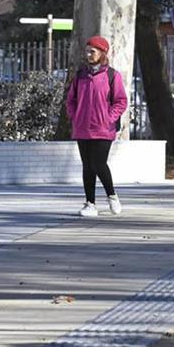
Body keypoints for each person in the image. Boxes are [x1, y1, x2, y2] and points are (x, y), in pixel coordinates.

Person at [65, 35, 128, 217]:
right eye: (87, 51)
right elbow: (71, 100)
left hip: (103, 128)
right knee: (87, 165)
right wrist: (74, 117)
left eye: (92, 51)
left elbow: (120, 101)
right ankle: (90, 203)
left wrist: (109, 117)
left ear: (102, 53)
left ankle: (112, 195)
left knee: (99, 163)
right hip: (83, 127)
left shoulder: (111, 76)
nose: (89, 54)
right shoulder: (80, 75)